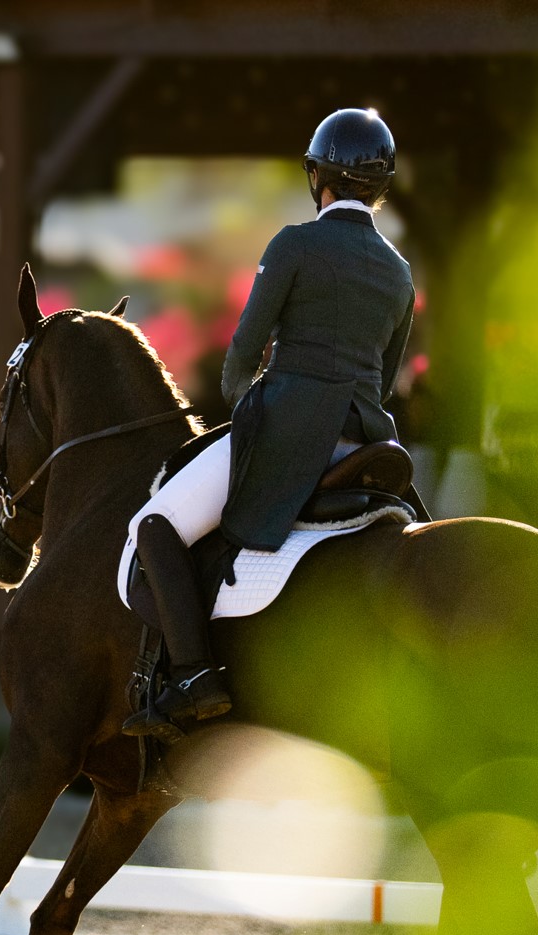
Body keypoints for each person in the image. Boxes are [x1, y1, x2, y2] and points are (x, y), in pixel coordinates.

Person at [122, 108, 417, 738]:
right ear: (380, 186)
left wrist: (242, 411)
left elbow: (244, 349)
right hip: (368, 439)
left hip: (289, 429)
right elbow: (386, 377)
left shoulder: (294, 245)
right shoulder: (398, 271)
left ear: (319, 177)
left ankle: (195, 676)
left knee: (156, 525)